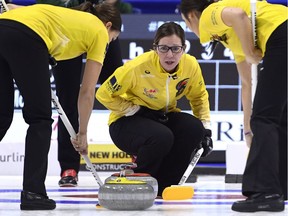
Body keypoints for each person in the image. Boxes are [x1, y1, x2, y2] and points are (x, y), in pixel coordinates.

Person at [0, 2, 121, 210]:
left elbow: (11, 9)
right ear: (108, 25)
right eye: (113, 38)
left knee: (1, 117)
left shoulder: (70, 17)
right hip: (28, 36)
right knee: (40, 119)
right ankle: (33, 192)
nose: (110, 43)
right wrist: (82, 133)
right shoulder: (99, 32)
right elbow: (87, 92)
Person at [179, 0, 287, 212]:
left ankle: (265, 192)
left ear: (191, 15)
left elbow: (238, 15)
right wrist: (248, 128)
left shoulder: (211, 13)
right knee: (278, 117)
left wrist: (250, 52)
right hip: (282, 31)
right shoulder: (232, 35)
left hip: (281, 34)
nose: (190, 29)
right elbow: (246, 83)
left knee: (265, 118)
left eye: (186, 23)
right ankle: (280, 187)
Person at [96, 21, 213, 197]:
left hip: (162, 118)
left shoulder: (191, 66)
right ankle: (139, 178)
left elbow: (199, 97)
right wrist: (136, 110)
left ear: (184, 48)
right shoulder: (137, 67)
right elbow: (103, 94)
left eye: (175, 48)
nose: (170, 55)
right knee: (161, 136)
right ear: (155, 48)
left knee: (194, 129)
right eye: (164, 48)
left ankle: (166, 184)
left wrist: (206, 129)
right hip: (126, 122)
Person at [35, 0, 126, 187]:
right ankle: (69, 167)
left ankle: (139, 153)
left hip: (102, 18)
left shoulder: (107, 29)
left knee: (120, 89)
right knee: (67, 98)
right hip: (68, 29)